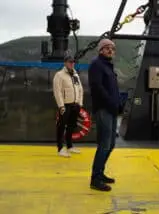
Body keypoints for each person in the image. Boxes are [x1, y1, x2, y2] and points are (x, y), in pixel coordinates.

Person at [88, 38, 120, 191]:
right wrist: (110, 103)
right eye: (107, 48)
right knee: (104, 144)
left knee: (111, 144)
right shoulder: (97, 65)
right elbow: (97, 87)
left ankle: (100, 173)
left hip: (112, 109)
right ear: (100, 50)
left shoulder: (108, 66)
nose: (110, 50)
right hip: (103, 109)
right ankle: (95, 178)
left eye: (112, 48)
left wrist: (118, 103)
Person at [53, 55, 83, 157]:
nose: (72, 63)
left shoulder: (75, 75)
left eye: (73, 62)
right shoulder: (59, 75)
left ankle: (70, 146)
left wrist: (80, 103)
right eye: (70, 62)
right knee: (61, 126)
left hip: (75, 105)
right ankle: (60, 148)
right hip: (65, 105)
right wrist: (61, 106)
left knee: (71, 126)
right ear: (65, 62)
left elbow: (80, 89)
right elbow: (57, 92)